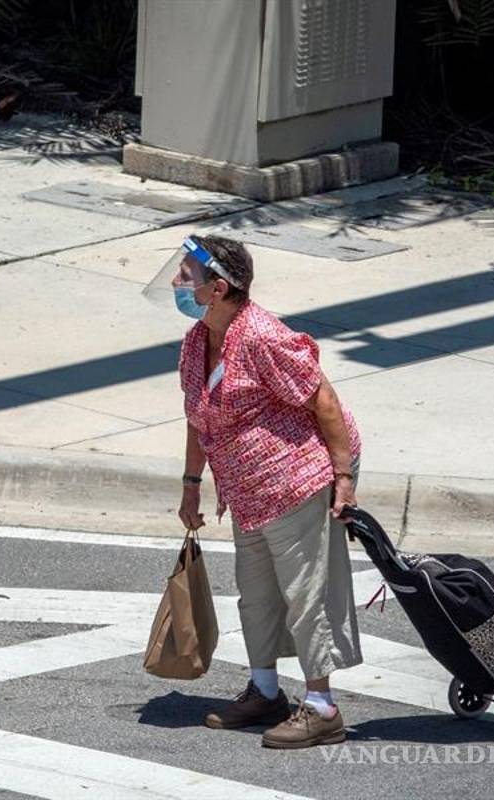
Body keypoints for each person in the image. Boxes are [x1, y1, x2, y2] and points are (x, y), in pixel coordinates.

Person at [173, 234, 362, 749]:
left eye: (186, 274)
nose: (176, 281)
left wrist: (344, 479)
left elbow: (323, 398)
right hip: (249, 491)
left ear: (218, 287)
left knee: (305, 596)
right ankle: (265, 691)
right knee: (256, 595)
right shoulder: (197, 341)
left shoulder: (261, 335)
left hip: (296, 481)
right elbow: (197, 416)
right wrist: (192, 483)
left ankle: (322, 707)